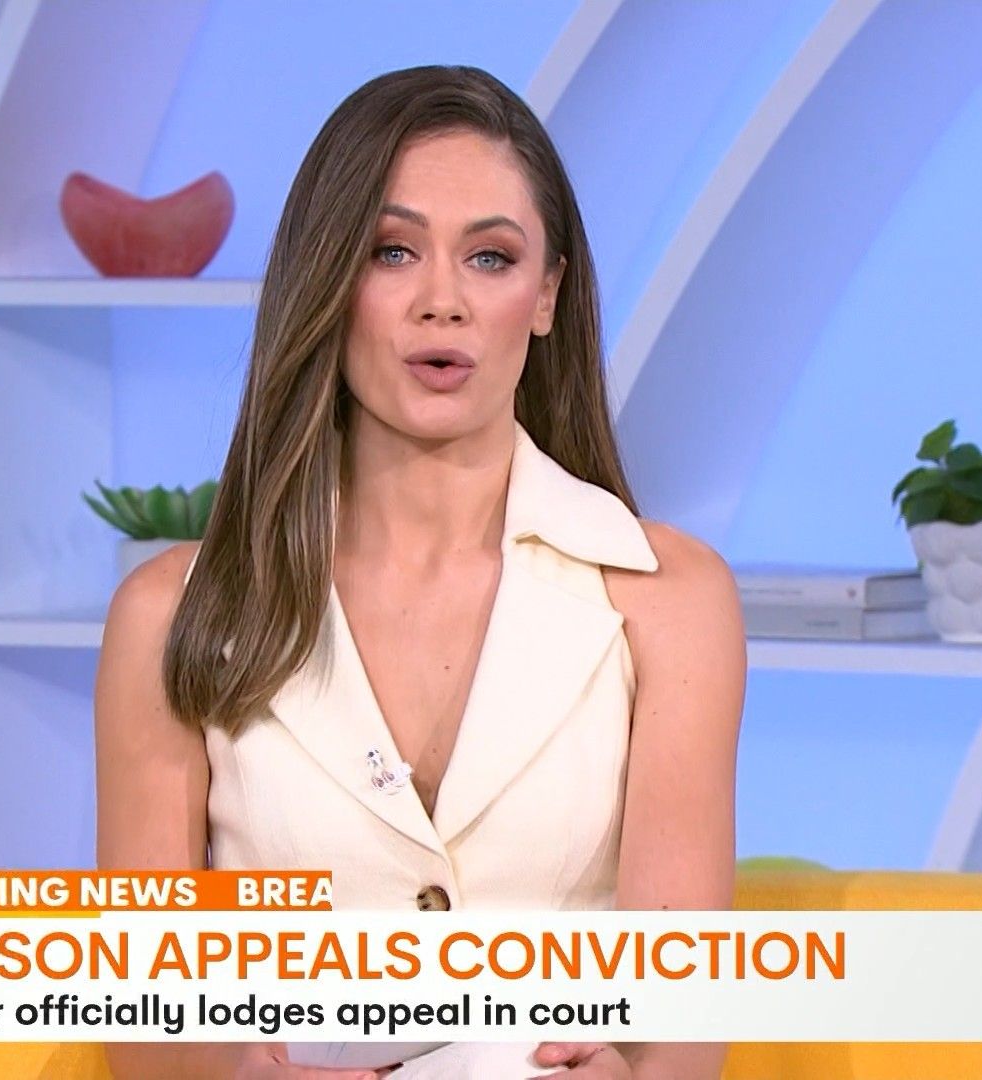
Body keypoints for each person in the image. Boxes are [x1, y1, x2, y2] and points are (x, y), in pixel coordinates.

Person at [95, 64, 745, 1079]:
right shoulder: (170, 615)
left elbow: (680, 1027)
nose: (442, 303)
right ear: (329, 281)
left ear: (545, 295)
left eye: (490, 258)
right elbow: (148, 1025)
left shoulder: (669, 600)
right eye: (391, 252)